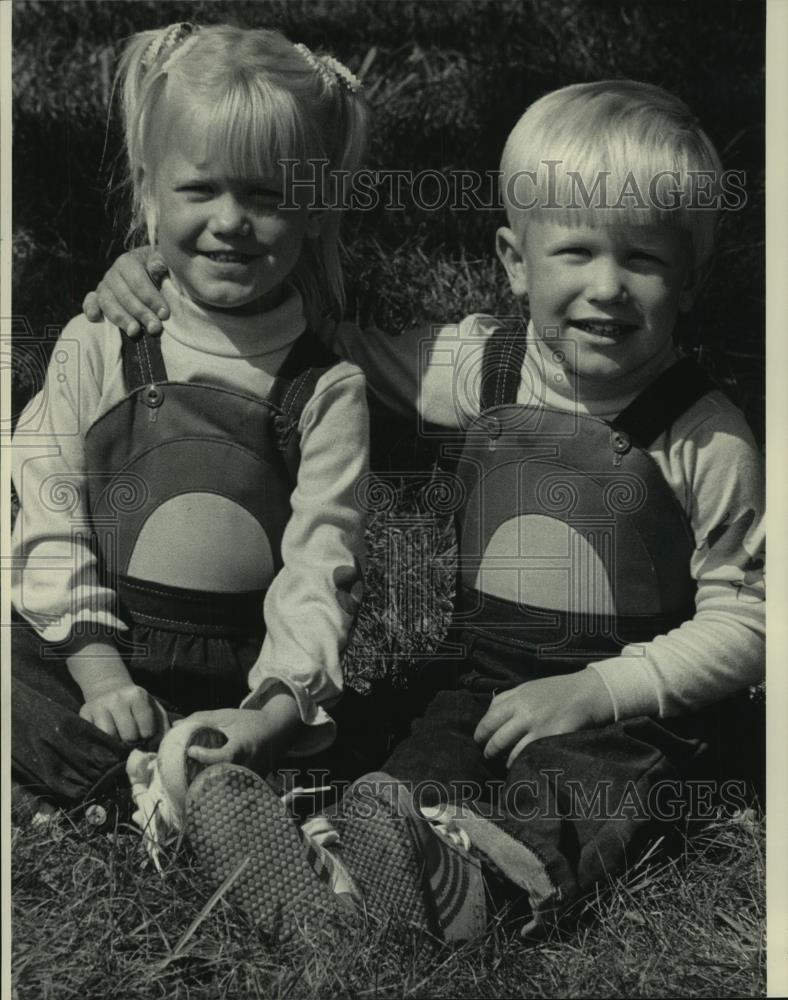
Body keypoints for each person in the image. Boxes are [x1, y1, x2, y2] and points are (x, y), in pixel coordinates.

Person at [82, 81, 764, 941]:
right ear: (516, 261)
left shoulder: (705, 437)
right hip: (480, 671)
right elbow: (312, 337)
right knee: (394, 751)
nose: (608, 287)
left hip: (633, 706)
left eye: (645, 260)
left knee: (583, 782)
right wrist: (161, 277)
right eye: (577, 252)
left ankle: (474, 885)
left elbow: (754, 617)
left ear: (693, 277)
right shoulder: (483, 368)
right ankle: (333, 856)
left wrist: (599, 690)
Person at [11, 23, 370, 824]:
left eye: (268, 197)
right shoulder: (101, 340)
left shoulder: (326, 386)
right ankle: (160, 792)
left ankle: (140, 787)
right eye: (201, 190)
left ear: (316, 211)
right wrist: (101, 673)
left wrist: (273, 710)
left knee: (324, 735)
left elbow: (322, 568)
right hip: (89, 647)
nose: (232, 221)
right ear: (148, 192)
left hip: (237, 672)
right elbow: (46, 507)